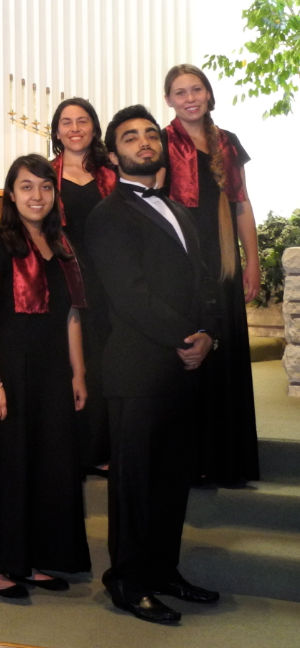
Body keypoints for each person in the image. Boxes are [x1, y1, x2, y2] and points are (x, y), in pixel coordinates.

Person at [85, 105, 220, 624]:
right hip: (138, 370)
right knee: (136, 485)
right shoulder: (108, 214)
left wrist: (210, 333)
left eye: (148, 134)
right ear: (113, 153)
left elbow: (204, 280)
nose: (143, 142)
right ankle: (128, 581)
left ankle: (164, 571)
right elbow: (130, 296)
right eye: (130, 137)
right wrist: (188, 337)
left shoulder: (179, 209)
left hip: (182, 368)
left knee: (170, 481)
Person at [0, 154, 91, 600]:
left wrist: (79, 373)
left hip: (51, 371)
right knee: (6, 466)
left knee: (48, 465)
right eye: (27, 187)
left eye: (45, 188)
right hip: (9, 368)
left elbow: (71, 314)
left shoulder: (61, 244)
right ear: (11, 194)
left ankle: (30, 557)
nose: (37, 196)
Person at [163, 65, 260, 486]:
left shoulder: (228, 144)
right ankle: (191, 458)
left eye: (196, 89)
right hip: (180, 259)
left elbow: (242, 204)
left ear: (208, 93)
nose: (190, 98)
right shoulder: (160, 142)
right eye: (180, 92)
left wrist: (251, 260)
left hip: (222, 259)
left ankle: (228, 459)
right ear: (168, 99)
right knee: (191, 356)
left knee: (226, 354)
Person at [49, 97, 117, 474]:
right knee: (72, 362)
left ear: (94, 126)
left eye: (82, 121)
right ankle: (75, 449)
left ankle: (105, 447)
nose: (75, 128)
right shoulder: (46, 174)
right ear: (56, 131)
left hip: (111, 278)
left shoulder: (112, 171)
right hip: (66, 278)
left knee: (105, 361)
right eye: (66, 122)